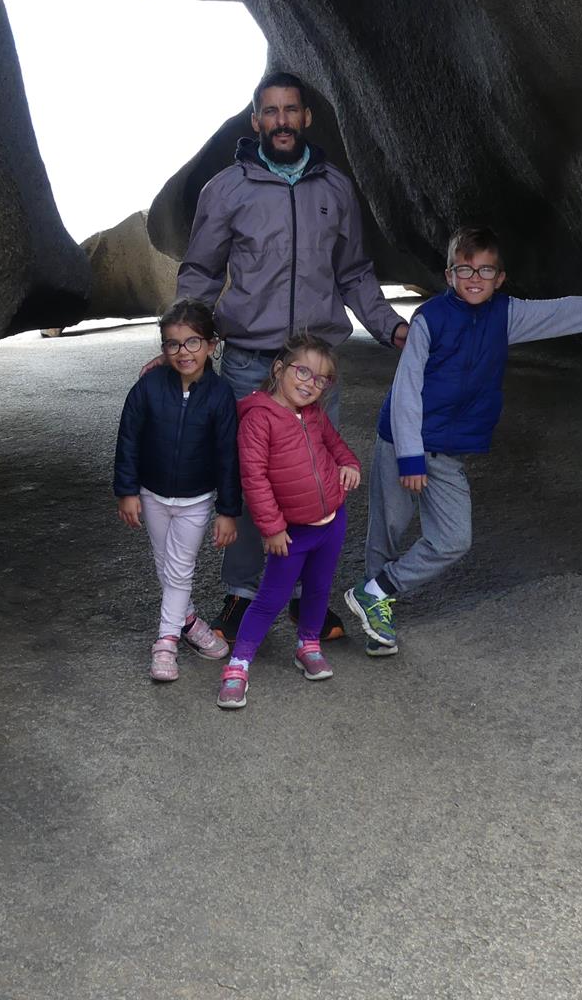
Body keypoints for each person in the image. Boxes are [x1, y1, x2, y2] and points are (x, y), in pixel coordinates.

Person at [176, 71, 407, 644]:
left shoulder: (336, 190)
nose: (281, 120)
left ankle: (309, 598)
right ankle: (242, 595)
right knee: (249, 482)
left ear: (306, 119)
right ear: (256, 121)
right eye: (270, 111)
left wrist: (391, 329)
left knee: (315, 482)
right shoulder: (226, 189)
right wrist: (182, 344)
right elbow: (201, 274)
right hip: (251, 363)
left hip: (317, 368)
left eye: (291, 110)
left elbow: (354, 274)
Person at [343, 225, 582, 656]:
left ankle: (375, 591)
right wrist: (410, 457)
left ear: (500, 279)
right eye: (464, 269)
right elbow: (407, 390)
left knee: (452, 539)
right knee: (388, 528)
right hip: (403, 441)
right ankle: (378, 617)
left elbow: (558, 313)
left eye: (486, 271)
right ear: (449, 275)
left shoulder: (506, 315)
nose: (474, 279)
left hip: (448, 451)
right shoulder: (430, 319)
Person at [216, 335, 362, 710]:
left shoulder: (314, 414)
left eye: (321, 379)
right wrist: (272, 528)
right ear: (279, 369)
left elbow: (336, 444)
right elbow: (255, 479)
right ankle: (238, 665)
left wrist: (349, 465)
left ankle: (307, 645)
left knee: (317, 589)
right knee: (270, 598)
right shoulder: (258, 418)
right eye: (303, 372)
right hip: (291, 532)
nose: (310, 384)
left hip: (332, 522)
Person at [114, 298, 241, 682]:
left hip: (196, 500)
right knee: (165, 566)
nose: (183, 352)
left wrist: (228, 510)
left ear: (211, 345)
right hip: (152, 495)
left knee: (180, 571)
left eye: (192, 342)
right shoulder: (148, 388)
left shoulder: (220, 397)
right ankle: (188, 621)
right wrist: (127, 490)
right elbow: (128, 441)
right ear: (163, 347)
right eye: (173, 343)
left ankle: (165, 643)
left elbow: (227, 458)